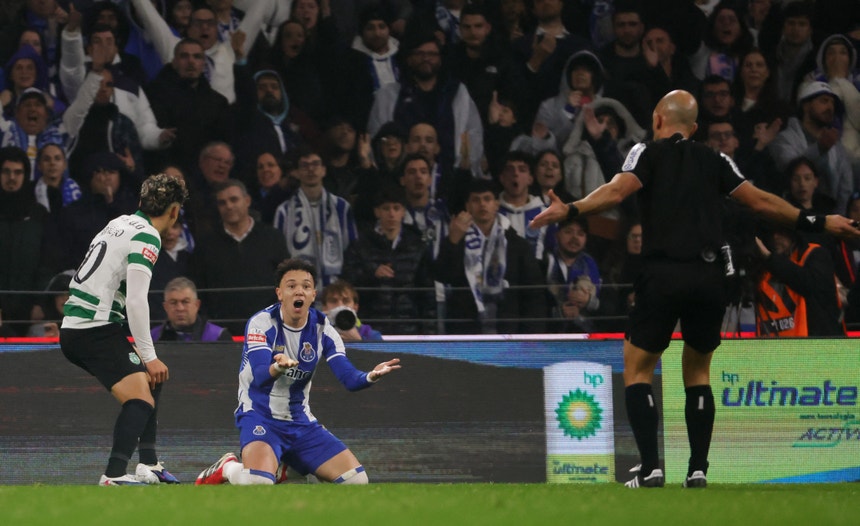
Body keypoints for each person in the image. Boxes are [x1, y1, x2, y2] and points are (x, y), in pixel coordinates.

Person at [529, 89, 860, 489]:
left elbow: (616, 191)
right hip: (709, 278)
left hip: (663, 274)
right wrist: (819, 222)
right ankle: (698, 470)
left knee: (638, 368)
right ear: (696, 127)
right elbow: (760, 202)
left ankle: (651, 468)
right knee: (698, 370)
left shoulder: (645, 153)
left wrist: (570, 209)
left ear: (657, 120)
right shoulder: (717, 159)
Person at [195, 258, 401, 486]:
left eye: (305, 286)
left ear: (313, 294)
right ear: (280, 293)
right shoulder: (261, 323)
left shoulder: (324, 329)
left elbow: (349, 378)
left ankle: (286, 469)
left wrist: (370, 376)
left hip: (301, 422)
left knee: (356, 481)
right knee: (257, 483)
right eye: (291, 286)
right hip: (260, 415)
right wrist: (278, 367)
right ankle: (229, 467)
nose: (298, 291)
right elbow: (261, 376)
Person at [60, 172, 188, 485]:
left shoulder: (119, 222)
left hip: (81, 323)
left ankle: (149, 463)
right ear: (174, 211)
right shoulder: (148, 235)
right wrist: (149, 352)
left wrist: (148, 358)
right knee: (141, 399)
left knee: (151, 378)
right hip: (94, 327)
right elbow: (136, 301)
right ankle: (114, 475)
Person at [190, 179, 289, 335]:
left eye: (234, 200)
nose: (229, 206)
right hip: (221, 334)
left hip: (269, 329)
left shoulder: (273, 237)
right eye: (222, 203)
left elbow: (287, 280)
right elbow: (199, 288)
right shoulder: (205, 244)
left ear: (247, 201)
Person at [753, 227, 844, 337]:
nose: (775, 237)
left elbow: (808, 284)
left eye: (781, 232)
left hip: (816, 343)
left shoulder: (815, 254)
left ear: (792, 233)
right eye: (771, 233)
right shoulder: (762, 266)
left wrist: (770, 258)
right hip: (775, 347)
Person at [151, 276, 232, 342]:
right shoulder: (152, 338)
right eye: (173, 302)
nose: (180, 308)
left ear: (197, 305)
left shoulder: (218, 336)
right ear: (165, 307)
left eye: (185, 302)